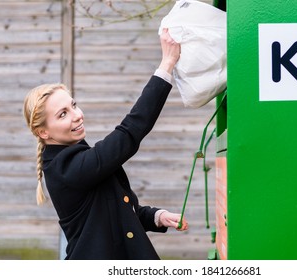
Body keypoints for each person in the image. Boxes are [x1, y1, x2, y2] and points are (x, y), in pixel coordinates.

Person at [23, 28, 188, 260]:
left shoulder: (80, 158)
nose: (77, 115)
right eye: (62, 114)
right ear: (44, 132)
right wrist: (166, 64)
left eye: (73, 105)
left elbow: (117, 213)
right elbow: (129, 133)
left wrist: (156, 217)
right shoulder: (66, 168)